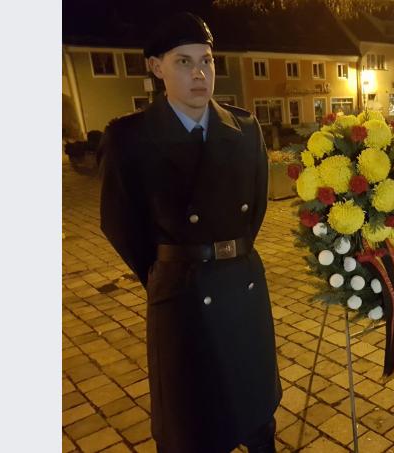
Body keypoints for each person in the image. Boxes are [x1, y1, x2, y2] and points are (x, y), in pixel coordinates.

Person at [99, 12, 281, 452]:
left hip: (242, 283)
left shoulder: (244, 129)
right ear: (156, 67)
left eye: (207, 60)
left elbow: (254, 211)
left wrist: (227, 256)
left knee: (254, 409)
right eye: (183, 62)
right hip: (180, 295)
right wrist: (168, 272)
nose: (200, 74)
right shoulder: (130, 137)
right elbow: (120, 223)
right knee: (191, 419)